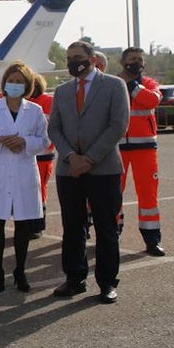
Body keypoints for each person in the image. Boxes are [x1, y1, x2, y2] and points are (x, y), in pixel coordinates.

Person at [48, 41, 129, 304]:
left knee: (106, 228)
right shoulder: (62, 91)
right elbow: (54, 128)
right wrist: (71, 157)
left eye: (78, 57)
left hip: (103, 169)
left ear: (93, 59)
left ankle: (107, 283)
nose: (74, 62)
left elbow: (118, 125)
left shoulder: (114, 85)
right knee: (72, 227)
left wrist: (90, 158)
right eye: (69, 58)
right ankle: (75, 279)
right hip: (69, 169)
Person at [0, 62, 49, 292]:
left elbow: (44, 140)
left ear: (27, 85)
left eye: (19, 81)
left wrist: (24, 141)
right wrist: (0, 139)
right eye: (11, 81)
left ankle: (20, 271)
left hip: (23, 172)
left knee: (23, 225)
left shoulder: (35, 111)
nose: (15, 85)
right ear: (5, 83)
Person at [118, 47, 165, 256]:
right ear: (123, 62)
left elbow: (152, 100)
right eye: (132, 59)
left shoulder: (150, 83)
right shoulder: (113, 83)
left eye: (139, 59)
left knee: (148, 195)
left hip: (145, 148)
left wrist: (132, 85)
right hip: (116, 147)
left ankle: (152, 239)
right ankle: (112, 234)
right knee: (113, 193)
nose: (136, 62)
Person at [28, 72, 55, 239]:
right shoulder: (20, 102)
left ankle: (38, 224)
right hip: (24, 155)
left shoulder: (48, 102)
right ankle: (26, 223)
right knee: (25, 190)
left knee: (39, 190)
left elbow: (53, 127)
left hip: (43, 155)